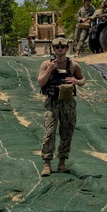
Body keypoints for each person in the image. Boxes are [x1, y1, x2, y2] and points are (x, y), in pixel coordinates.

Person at [37, 36, 85, 177]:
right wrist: (50, 70)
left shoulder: (73, 65)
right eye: (57, 47)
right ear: (53, 49)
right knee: (50, 132)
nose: (60, 50)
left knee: (67, 132)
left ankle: (62, 162)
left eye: (62, 47)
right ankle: (47, 163)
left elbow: (83, 80)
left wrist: (76, 81)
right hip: (52, 102)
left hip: (68, 103)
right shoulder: (46, 64)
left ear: (66, 49)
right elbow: (40, 82)